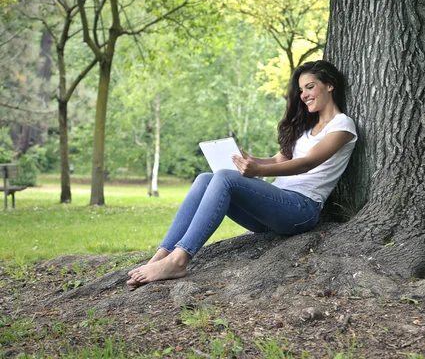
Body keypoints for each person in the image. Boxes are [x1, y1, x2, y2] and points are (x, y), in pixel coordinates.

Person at [127, 60, 357, 286]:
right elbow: (280, 159)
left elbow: (307, 163)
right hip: (272, 209)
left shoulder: (342, 126)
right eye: (301, 90)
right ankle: (161, 256)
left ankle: (178, 261)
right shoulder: (306, 126)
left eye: (310, 86)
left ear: (329, 85)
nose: (304, 94)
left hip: (301, 210)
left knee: (225, 178)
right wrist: (252, 161)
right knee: (205, 178)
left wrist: (259, 171)